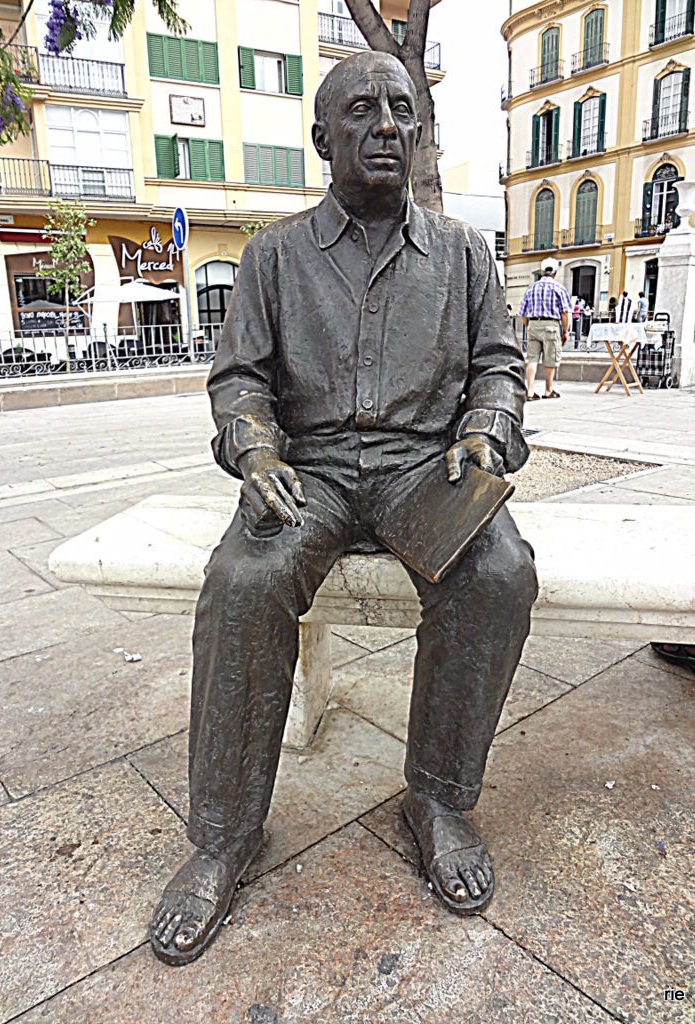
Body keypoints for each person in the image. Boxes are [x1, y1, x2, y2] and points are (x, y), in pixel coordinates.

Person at [149, 50, 538, 967]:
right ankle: (224, 836)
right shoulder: (272, 256)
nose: (387, 125)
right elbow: (240, 379)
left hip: (423, 468)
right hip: (311, 470)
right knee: (243, 580)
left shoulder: (464, 253)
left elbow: (499, 366)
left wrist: (486, 430)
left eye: (401, 109)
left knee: (498, 573)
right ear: (323, 138)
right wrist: (254, 449)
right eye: (361, 110)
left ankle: (437, 801)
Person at [518, 257, 572, 400]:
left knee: (532, 359)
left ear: (542, 272)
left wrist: (529, 326)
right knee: (550, 359)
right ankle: (548, 390)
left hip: (533, 324)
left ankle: (530, 391)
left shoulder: (531, 288)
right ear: (554, 273)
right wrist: (565, 331)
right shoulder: (559, 288)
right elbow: (564, 313)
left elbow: (522, 312)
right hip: (551, 325)